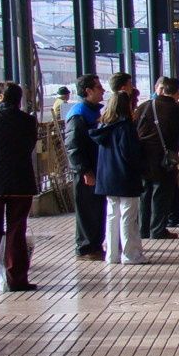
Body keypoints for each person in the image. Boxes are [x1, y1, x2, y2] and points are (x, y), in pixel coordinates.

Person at [89, 90, 148, 264]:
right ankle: (131, 254)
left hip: (107, 178)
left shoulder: (103, 127)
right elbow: (131, 154)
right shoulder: (126, 128)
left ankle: (111, 254)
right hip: (125, 177)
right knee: (128, 216)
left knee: (112, 216)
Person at [0, 82, 39, 291]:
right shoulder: (28, 121)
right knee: (16, 231)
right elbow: (29, 146)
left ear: (1, 96)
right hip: (21, 182)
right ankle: (16, 279)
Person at [136, 77, 179, 239]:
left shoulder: (144, 106)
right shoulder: (176, 110)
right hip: (164, 158)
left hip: (143, 156)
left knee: (145, 192)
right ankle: (157, 229)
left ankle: (143, 229)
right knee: (161, 193)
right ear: (177, 92)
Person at [65, 73, 107, 260]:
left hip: (95, 168)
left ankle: (95, 245)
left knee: (96, 208)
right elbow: (73, 145)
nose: (103, 90)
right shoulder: (79, 114)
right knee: (87, 210)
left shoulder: (92, 111)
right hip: (86, 171)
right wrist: (84, 170)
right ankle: (86, 248)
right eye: (99, 87)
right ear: (88, 91)